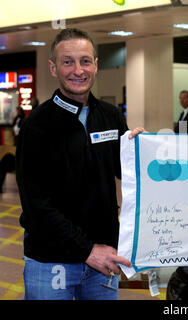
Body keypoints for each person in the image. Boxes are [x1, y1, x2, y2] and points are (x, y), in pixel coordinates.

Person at [15, 28, 144, 300]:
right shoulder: (36, 126)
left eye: (85, 61)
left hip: (103, 261)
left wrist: (144, 151)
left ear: (96, 65)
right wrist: (87, 251)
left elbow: (129, 175)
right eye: (67, 61)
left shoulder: (110, 117)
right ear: (53, 68)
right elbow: (37, 205)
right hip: (51, 261)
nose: (78, 70)